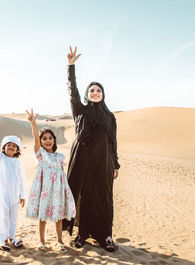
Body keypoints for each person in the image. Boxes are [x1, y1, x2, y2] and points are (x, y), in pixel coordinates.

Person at [62, 46, 120, 252]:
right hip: (83, 161)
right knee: (84, 196)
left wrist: (116, 164)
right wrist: (71, 67)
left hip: (104, 162)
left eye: (99, 90)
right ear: (88, 94)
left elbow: (113, 141)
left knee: (103, 197)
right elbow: (72, 91)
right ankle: (82, 233)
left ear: (103, 94)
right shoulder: (81, 111)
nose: (95, 93)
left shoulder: (109, 116)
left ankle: (105, 235)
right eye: (92, 90)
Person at [25, 109, 76, 253]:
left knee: (58, 216)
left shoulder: (59, 157)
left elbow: (61, 176)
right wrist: (33, 123)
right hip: (44, 190)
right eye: (44, 138)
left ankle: (59, 241)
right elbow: (35, 139)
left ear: (54, 140)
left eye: (50, 138)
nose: (47, 140)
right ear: (41, 142)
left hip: (58, 190)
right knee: (43, 216)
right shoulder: (40, 155)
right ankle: (41, 241)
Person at [0, 122, 26, 251]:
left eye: (14, 146)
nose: (11, 147)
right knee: (2, 216)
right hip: (2, 194)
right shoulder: (1, 158)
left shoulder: (18, 163)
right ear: (4, 147)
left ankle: (12, 238)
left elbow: (21, 180)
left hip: (14, 195)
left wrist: (22, 195)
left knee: (13, 217)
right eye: (8, 145)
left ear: (17, 150)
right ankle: (2, 240)